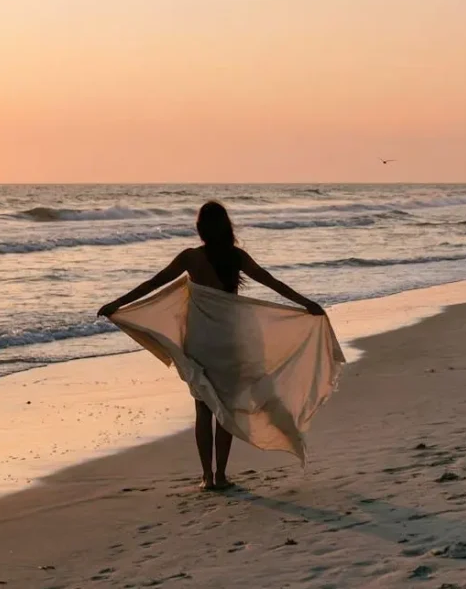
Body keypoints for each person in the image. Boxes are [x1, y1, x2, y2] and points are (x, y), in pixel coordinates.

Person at [97, 201, 325, 491]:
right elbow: (272, 283)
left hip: (201, 340)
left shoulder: (190, 258)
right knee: (226, 408)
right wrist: (307, 304)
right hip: (230, 340)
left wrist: (118, 304)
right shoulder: (236, 257)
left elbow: (154, 283)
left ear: (200, 228)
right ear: (227, 227)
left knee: (203, 408)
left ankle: (206, 476)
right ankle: (221, 475)